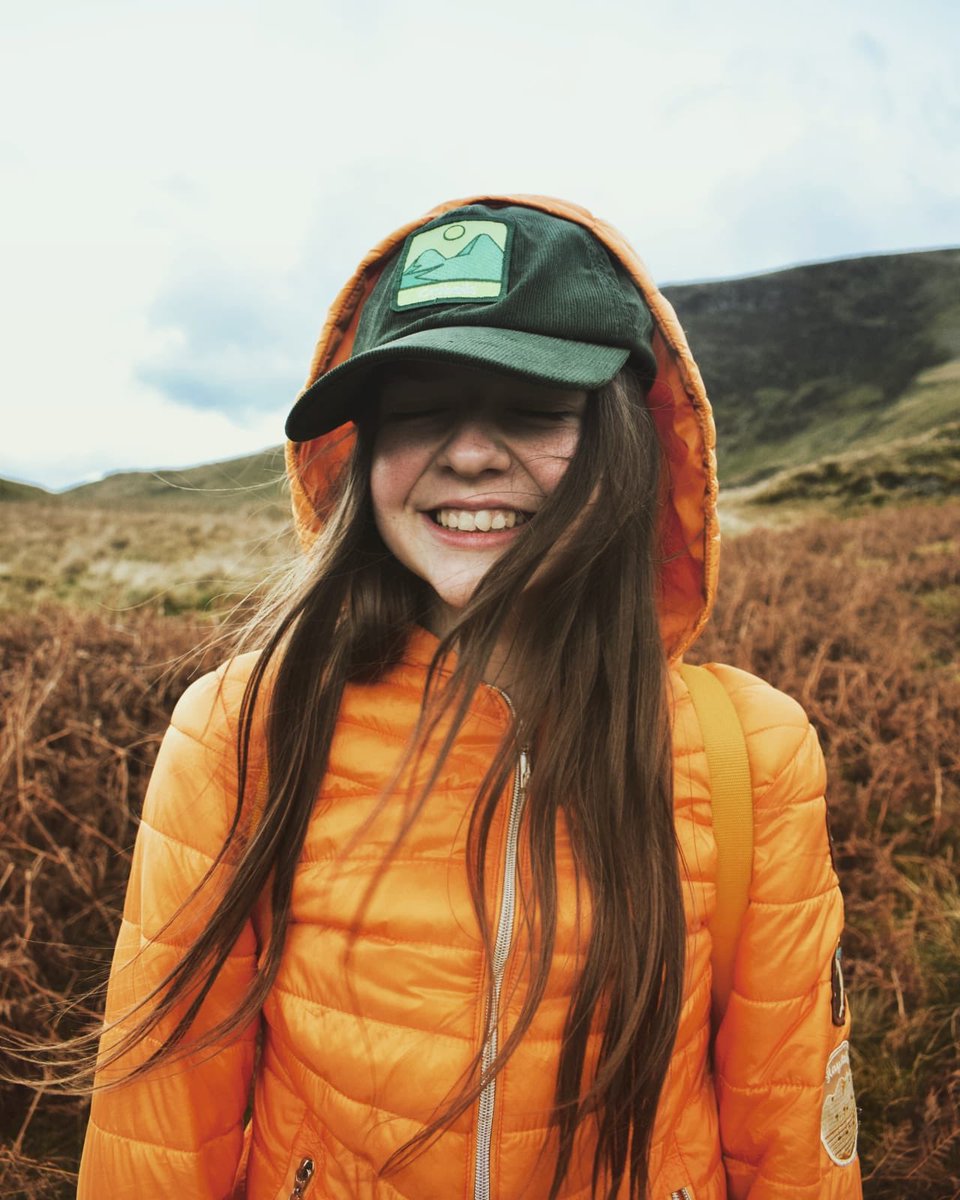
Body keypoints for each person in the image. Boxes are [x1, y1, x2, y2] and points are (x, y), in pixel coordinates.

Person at [76, 195, 863, 1199]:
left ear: (625, 439)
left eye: (535, 405)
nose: (472, 452)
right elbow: (156, 1137)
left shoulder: (749, 748)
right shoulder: (243, 729)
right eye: (418, 409)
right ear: (361, 454)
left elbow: (794, 1132)